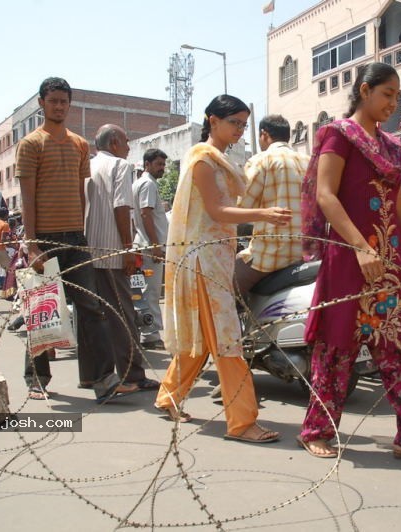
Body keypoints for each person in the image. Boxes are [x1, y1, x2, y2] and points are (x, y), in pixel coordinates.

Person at [297, 63, 401, 464]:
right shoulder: (338, 135)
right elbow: (327, 196)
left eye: (397, 96)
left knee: (399, 345)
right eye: (387, 94)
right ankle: (318, 430)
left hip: (391, 258)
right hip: (351, 257)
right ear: (365, 91)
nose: (393, 103)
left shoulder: (389, 145)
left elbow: (397, 202)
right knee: (338, 346)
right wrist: (360, 248)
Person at [154, 94, 289, 443]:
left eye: (244, 125)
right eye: (234, 123)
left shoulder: (222, 161)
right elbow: (217, 211)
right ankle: (242, 422)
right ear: (212, 121)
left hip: (216, 257)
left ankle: (168, 395)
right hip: (202, 261)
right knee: (227, 340)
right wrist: (265, 214)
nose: (239, 131)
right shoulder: (202, 159)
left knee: (202, 337)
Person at [16, 76, 138, 402]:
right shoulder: (30, 144)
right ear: (42, 103)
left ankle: (101, 379)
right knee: (43, 313)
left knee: (91, 309)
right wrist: (32, 244)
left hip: (76, 239)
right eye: (53, 100)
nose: (59, 106)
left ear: (69, 105)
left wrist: (81, 232)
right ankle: (37, 378)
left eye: (64, 101)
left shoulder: (79, 144)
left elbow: (81, 193)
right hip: (44, 238)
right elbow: (27, 197)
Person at [86, 124, 160, 390]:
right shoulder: (119, 165)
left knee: (99, 315)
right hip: (112, 250)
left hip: (89, 251)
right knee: (123, 314)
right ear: (115, 142)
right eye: (127, 141)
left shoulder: (89, 166)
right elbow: (121, 206)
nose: (129, 147)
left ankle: (102, 375)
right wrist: (128, 248)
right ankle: (132, 375)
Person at [235, 114, 309, 298]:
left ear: (264, 134)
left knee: (222, 291)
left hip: (270, 255)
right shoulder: (309, 161)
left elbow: (241, 207)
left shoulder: (262, 160)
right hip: (307, 253)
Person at [131, 148, 170, 350]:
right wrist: (155, 246)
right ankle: (150, 335)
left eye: (163, 165)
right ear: (147, 164)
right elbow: (146, 214)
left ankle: (148, 332)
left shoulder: (140, 183)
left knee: (145, 291)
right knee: (151, 291)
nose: (162, 168)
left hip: (143, 244)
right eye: (159, 164)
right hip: (149, 247)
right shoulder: (147, 184)